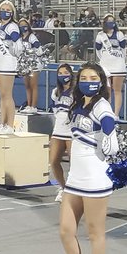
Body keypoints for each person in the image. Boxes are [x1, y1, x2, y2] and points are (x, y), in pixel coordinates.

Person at [57, 63, 120, 254]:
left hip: (95, 176)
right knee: (65, 230)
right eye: (84, 77)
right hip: (75, 177)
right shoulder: (78, 103)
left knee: (95, 234)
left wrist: (111, 134)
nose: (88, 81)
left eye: (93, 77)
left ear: (102, 80)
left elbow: (107, 121)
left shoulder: (101, 104)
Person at [0, 0, 23, 135]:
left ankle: (10, 125)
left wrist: (14, 56)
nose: (5, 11)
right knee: (2, 96)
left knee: (7, 95)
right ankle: (2, 123)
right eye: (3, 9)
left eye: (8, 9)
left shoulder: (12, 27)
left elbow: (19, 44)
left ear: (12, 12)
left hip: (7, 63)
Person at [49, 64, 75, 203]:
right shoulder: (55, 92)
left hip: (72, 131)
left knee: (74, 162)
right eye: (60, 73)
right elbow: (54, 111)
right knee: (53, 161)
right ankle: (63, 187)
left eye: (66, 72)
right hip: (58, 130)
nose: (63, 75)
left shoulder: (77, 91)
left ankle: (72, 189)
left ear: (71, 73)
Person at [94, 15, 127, 116]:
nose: (111, 23)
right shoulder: (100, 35)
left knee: (117, 90)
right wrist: (104, 60)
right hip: (106, 65)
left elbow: (123, 49)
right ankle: (107, 112)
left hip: (118, 65)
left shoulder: (119, 34)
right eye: (108, 21)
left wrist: (120, 59)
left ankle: (116, 114)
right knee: (106, 91)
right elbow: (98, 51)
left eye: (112, 21)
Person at [20, 20, 43, 114]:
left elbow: (38, 47)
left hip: (34, 63)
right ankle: (29, 105)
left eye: (25, 25)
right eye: (21, 25)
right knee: (27, 85)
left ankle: (34, 106)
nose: (23, 27)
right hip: (25, 64)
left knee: (33, 85)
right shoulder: (19, 38)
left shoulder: (31, 36)